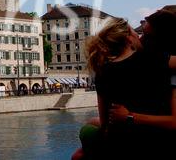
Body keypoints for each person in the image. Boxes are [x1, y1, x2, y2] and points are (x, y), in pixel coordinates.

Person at [73, 13, 176, 159]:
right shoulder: (153, 60)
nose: (140, 37)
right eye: (136, 33)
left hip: (120, 146)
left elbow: (105, 125)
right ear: (128, 37)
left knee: (87, 131)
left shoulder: (103, 73)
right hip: (155, 144)